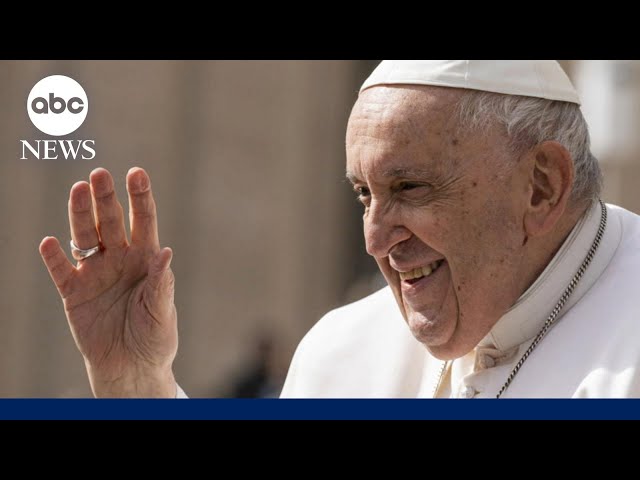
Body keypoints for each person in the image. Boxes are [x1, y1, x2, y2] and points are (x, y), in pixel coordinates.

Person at [39, 60, 640, 399]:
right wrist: (137, 384)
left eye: (410, 188)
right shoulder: (342, 350)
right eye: (363, 195)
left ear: (540, 186)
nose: (375, 239)